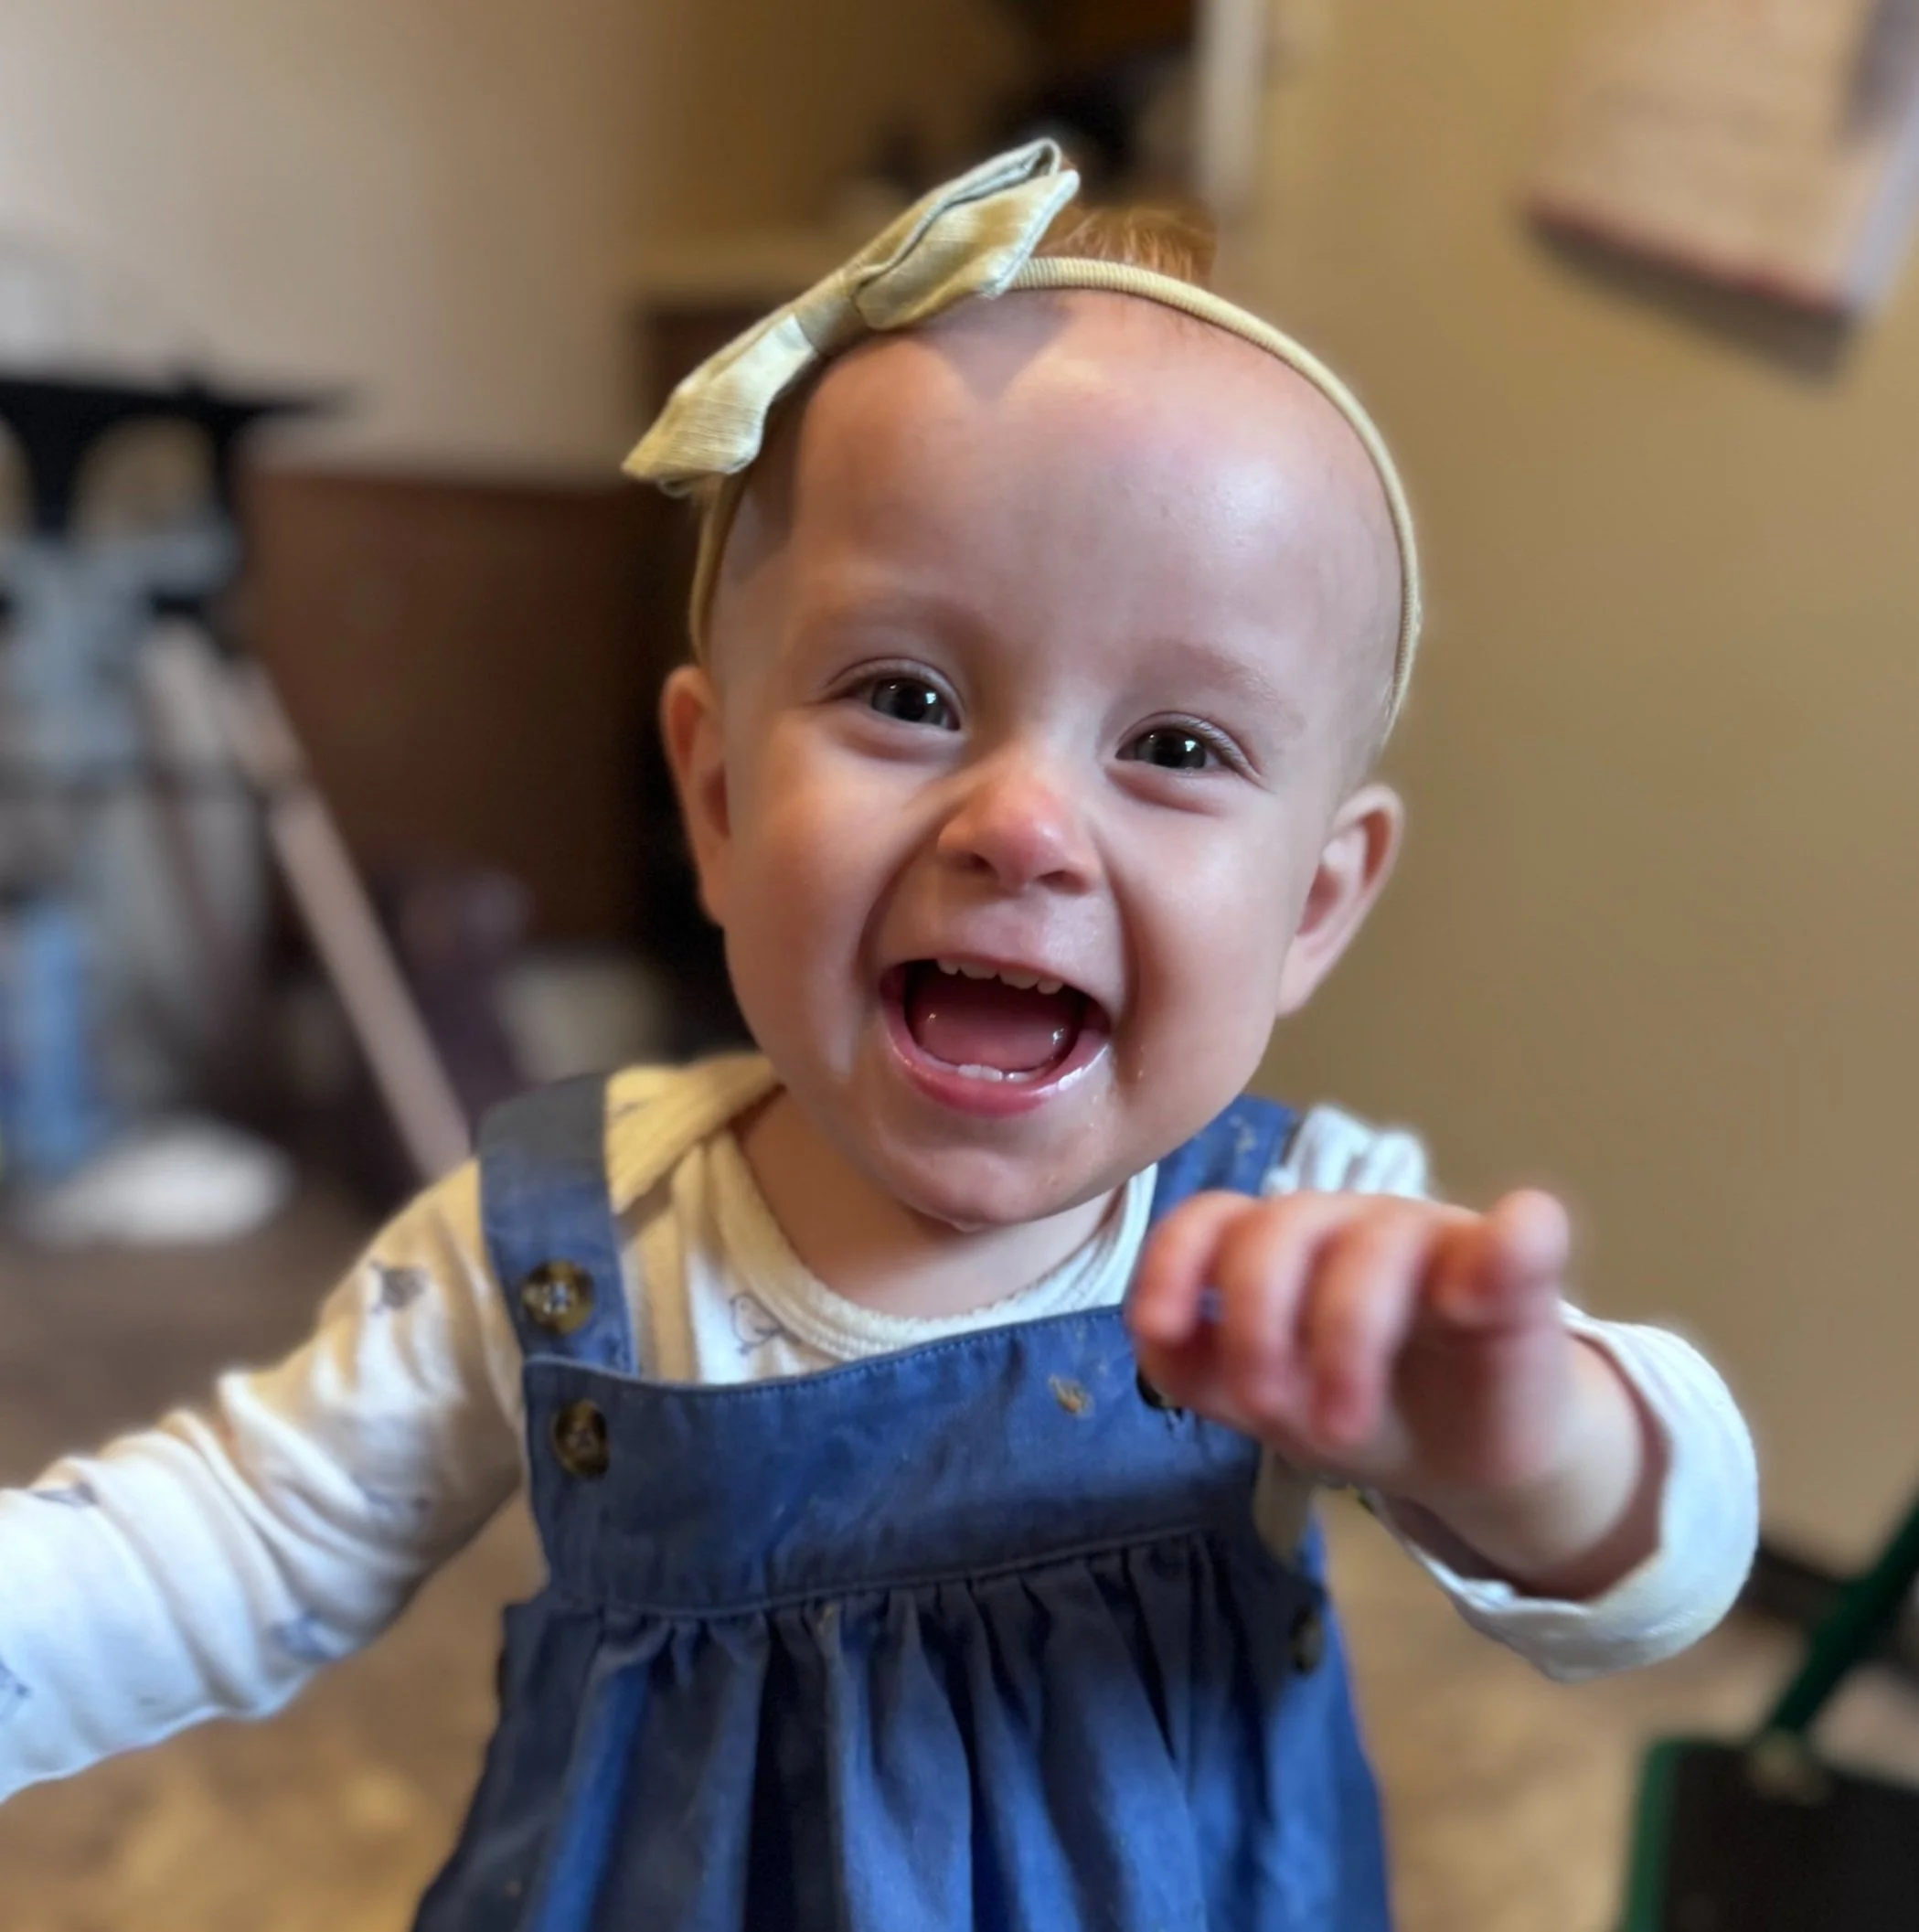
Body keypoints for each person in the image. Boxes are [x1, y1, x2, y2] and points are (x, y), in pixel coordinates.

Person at [0, 144, 1757, 1927]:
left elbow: (1665, 1578)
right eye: (906, 698)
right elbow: (242, 1537)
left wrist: (1533, 1444)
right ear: (714, 796)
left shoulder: (1297, 1244)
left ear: (1312, 902)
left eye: (1173, 746)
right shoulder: (567, 1240)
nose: (1023, 824)